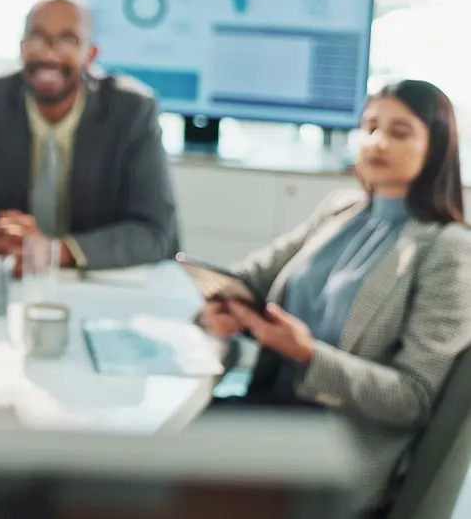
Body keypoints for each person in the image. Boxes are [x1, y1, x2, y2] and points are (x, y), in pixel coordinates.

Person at [198, 80, 471, 514]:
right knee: (155, 439)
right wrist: (225, 303)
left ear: (436, 148)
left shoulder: (447, 247)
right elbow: (252, 277)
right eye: (370, 127)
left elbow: (414, 398)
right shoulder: (340, 210)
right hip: (275, 409)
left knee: (161, 461)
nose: (378, 141)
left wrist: (309, 355)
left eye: (400, 132)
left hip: (337, 444)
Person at [0, 0, 178, 271]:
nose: (49, 53)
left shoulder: (132, 110)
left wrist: (57, 252)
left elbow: (155, 231)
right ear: (21, 47)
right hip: (10, 282)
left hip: (99, 288)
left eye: (67, 40)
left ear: (90, 55)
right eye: (37, 38)